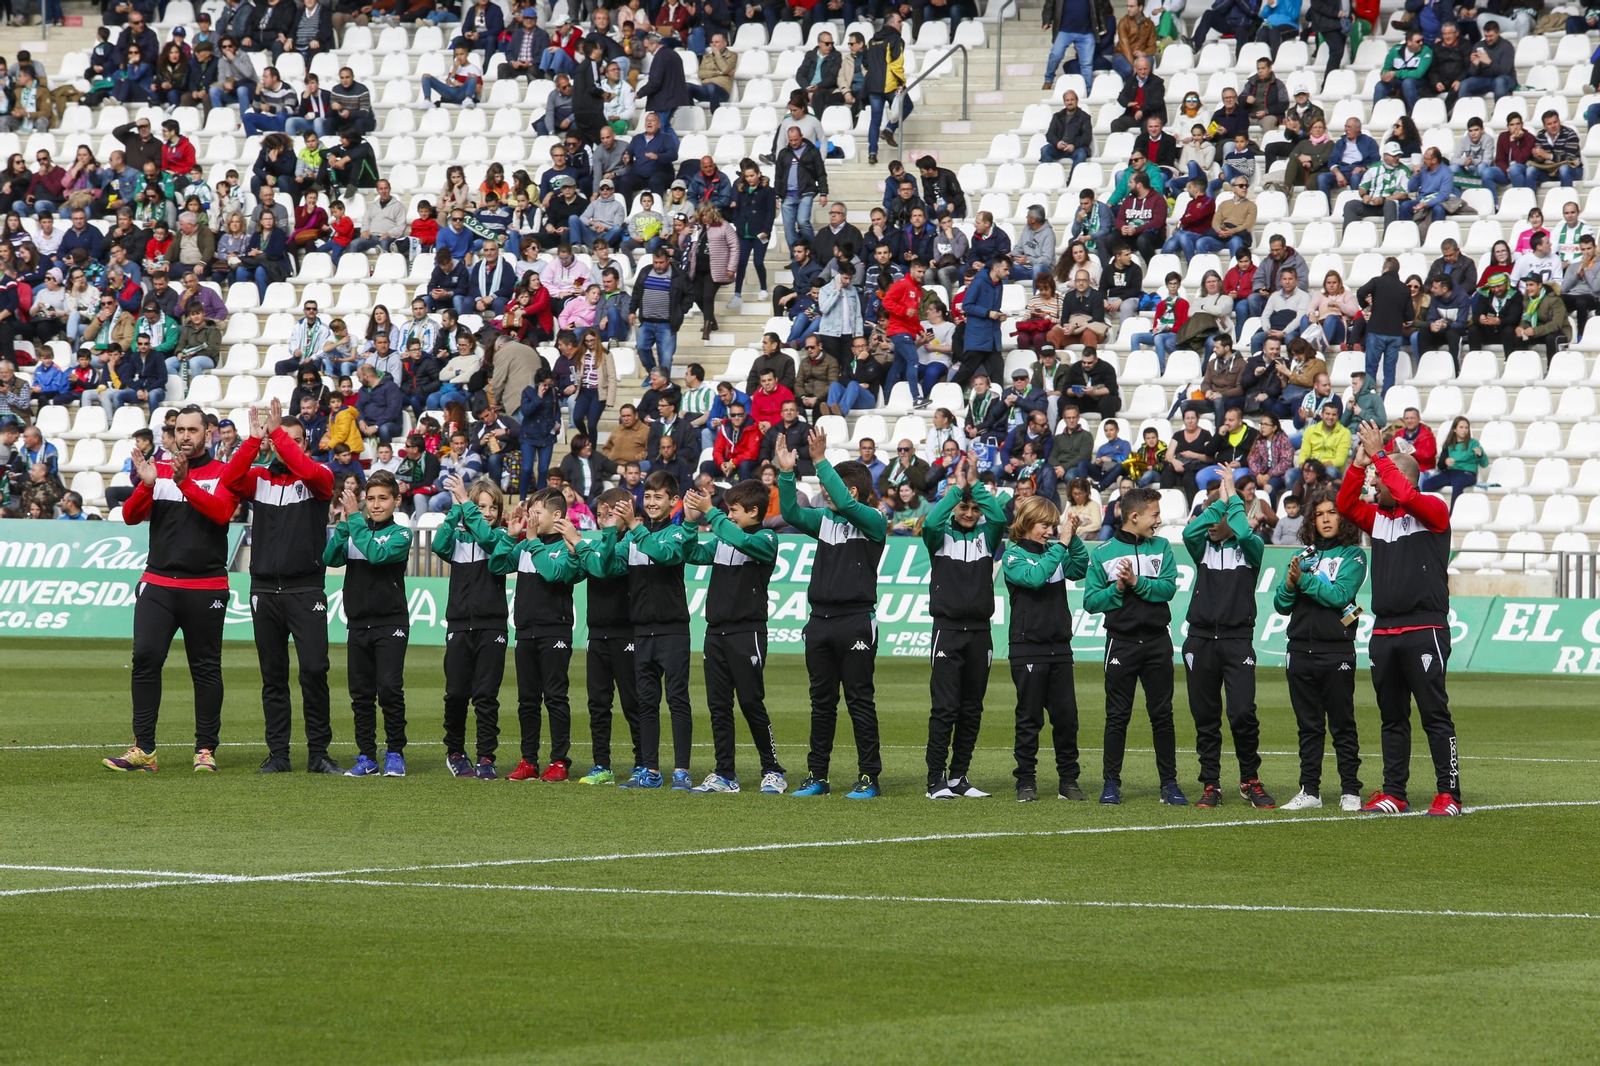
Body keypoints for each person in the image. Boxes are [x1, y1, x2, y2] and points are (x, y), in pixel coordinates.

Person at [102, 406, 238, 774]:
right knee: (145, 658)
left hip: (206, 585)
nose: (185, 436)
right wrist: (147, 484)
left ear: (208, 433)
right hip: (158, 582)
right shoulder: (157, 471)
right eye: (179, 430)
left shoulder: (223, 472)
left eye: (192, 430)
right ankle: (144, 749)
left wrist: (184, 482)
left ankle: (205, 749)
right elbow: (130, 516)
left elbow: (222, 514)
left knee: (205, 668)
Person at [1338, 421, 1461, 817]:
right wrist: (1359, 465)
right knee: (1392, 717)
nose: (1373, 486)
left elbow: (1406, 494)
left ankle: (1449, 794)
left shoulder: (1434, 510)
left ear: (1400, 479)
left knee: (1434, 714)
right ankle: (1395, 792)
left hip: (1425, 628)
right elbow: (1345, 505)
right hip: (1385, 630)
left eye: (1379, 480)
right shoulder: (1380, 518)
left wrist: (1379, 455)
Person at [222, 400, 339, 775]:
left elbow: (307, 469)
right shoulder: (259, 478)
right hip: (264, 591)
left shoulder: (319, 475)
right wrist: (253, 441)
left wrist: (275, 435)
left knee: (314, 671)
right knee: (273, 676)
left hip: (306, 590)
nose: (286, 443)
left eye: (294, 439)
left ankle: (318, 753)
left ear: (305, 444)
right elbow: (229, 481)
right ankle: (278, 755)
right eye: (280, 437)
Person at [776, 429, 887, 798]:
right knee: (821, 704)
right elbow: (791, 512)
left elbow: (848, 506)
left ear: (851, 491)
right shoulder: (825, 520)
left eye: (831, 487)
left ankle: (869, 777)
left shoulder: (873, 519)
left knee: (859, 701)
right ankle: (817, 776)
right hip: (820, 622)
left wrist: (820, 461)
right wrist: (787, 473)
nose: (825, 492)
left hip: (856, 621)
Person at [679, 481, 787, 793]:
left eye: (734, 510)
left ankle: (773, 770)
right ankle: (725, 773)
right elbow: (692, 552)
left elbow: (740, 539)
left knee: (751, 702)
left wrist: (710, 512)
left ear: (754, 512)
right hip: (715, 632)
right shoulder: (724, 539)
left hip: (747, 632)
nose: (728, 515)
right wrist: (690, 522)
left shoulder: (766, 538)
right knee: (719, 706)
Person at [1179, 463, 1274, 809]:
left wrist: (1231, 495)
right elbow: (1190, 532)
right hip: (1200, 640)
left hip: (1237, 640)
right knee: (1206, 718)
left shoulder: (1252, 547)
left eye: (1219, 517)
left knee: (1242, 713)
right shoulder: (1201, 547)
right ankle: (1211, 783)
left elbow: (1244, 533)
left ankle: (1250, 779)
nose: (1212, 523)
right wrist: (1218, 503)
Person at [1083, 486, 1183, 805]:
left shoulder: (1162, 547)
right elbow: (1091, 602)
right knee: (1117, 716)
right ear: (1135, 516)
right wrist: (1117, 588)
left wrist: (1136, 582)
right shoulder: (1102, 553)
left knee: (1162, 715)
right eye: (1155, 515)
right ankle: (1111, 784)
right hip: (1121, 643)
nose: (1159, 520)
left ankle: (1169, 784)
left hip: (1157, 642)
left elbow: (1168, 589)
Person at [915, 456, 1007, 799]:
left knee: (972, 708)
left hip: (980, 632)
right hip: (948, 630)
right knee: (945, 707)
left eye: (974, 509)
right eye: (964, 508)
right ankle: (935, 781)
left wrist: (976, 486)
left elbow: (999, 517)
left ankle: (959, 777)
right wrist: (957, 490)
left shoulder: (988, 535)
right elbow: (931, 521)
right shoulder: (938, 536)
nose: (969, 513)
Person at [1273, 487, 1368, 811]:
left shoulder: (1354, 556)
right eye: (1319, 514)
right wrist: (1290, 585)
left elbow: (1340, 595)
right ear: (1311, 521)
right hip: (1299, 650)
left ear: (1343, 517)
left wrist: (1302, 581)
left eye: (1332, 513)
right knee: (1308, 726)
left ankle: (1351, 791)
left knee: (1342, 724)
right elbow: (1281, 605)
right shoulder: (1304, 556)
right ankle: (1310, 791)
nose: (1325, 519)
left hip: (1336, 651)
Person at [605, 471, 695, 790]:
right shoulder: (631, 538)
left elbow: (666, 555)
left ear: (674, 501)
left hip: (673, 630)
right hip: (641, 631)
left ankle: (681, 770)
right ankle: (651, 770)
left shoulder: (677, 533)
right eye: (648, 496)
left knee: (677, 700)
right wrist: (610, 531)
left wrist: (634, 527)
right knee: (646, 702)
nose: (652, 502)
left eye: (659, 497)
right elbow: (607, 566)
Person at [492, 487, 586, 781]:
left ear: (556, 515)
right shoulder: (525, 546)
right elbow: (497, 566)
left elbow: (554, 574)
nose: (531, 515)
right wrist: (510, 537)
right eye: (530, 510)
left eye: (537, 511)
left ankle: (559, 762)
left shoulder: (566, 546)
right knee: (527, 700)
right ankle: (528, 761)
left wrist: (531, 541)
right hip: (525, 630)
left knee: (555, 697)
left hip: (554, 630)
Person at [323, 471, 412, 778]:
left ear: (396, 500)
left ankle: (395, 754)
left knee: (389, 690)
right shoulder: (355, 528)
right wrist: (343, 525)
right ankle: (366, 757)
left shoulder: (402, 534)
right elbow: (330, 558)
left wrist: (354, 520)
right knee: (361, 695)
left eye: (383, 498)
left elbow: (376, 554)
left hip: (391, 623)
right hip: (358, 623)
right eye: (371, 498)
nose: (375, 505)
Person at [427, 475, 513, 779]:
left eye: (492, 507)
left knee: (486, 695)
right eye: (481, 506)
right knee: (456, 693)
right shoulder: (458, 539)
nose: (487, 512)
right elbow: (438, 545)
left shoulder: (501, 536)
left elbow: (488, 541)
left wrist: (467, 504)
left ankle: (486, 757)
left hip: (493, 625)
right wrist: (456, 509)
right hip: (460, 624)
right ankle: (455, 751)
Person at [570, 487, 644, 785]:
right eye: (600, 515)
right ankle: (602, 765)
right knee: (598, 703)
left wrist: (582, 545)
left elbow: (605, 568)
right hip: (597, 634)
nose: (603, 521)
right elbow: (580, 571)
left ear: (624, 514)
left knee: (632, 702)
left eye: (609, 515)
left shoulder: (632, 544)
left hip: (626, 633)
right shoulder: (597, 544)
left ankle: (643, 763)